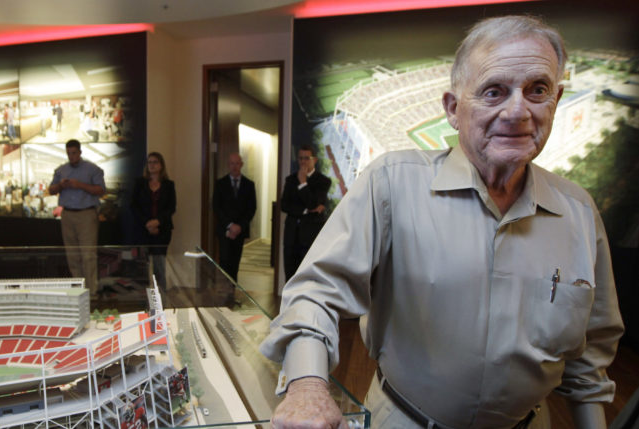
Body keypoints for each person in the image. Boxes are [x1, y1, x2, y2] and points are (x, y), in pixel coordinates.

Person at [261, 15, 623, 429]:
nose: (518, 110)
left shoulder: (578, 212)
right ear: (453, 109)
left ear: (556, 99)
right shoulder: (390, 182)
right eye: (494, 91)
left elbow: (589, 362)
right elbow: (315, 292)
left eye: (537, 90)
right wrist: (307, 387)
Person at [49, 139, 105, 293]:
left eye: (74, 153)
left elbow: (101, 190)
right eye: (68, 153)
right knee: (72, 255)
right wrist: (61, 185)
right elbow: (51, 189)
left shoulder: (92, 169)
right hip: (67, 214)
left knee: (88, 255)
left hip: (86, 214)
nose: (71, 156)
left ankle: (92, 291)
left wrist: (79, 185)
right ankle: (79, 290)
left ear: (80, 152)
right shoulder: (61, 170)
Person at [280, 143, 331, 281]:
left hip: (310, 237)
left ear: (314, 160)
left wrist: (303, 183)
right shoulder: (290, 180)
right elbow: (284, 205)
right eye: (300, 158)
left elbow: (313, 203)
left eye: (306, 158)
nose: (303, 161)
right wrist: (305, 210)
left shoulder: (323, 181)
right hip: (291, 237)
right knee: (290, 277)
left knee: (307, 278)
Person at [130, 152, 176, 289]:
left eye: (155, 162)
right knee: (142, 266)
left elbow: (171, 208)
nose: (152, 165)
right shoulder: (139, 183)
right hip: (142, 230)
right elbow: (133, 206)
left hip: (162, 231)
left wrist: (157, 222)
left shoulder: (169, 185)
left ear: (161, 165)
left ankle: (160, 298)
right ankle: (143, 299)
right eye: (149, 162)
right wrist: (148, 223)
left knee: (159, 266)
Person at [212, 153, 256, 281]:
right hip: (224, 229)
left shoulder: (249, 184)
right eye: (232, 163)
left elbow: (251, 209)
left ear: (241, 165)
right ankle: (223, 294)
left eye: (237, 163)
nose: (234, 166)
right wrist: (230, 226)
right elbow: (216, 207)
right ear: (228, 165)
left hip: (240, 231)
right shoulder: (220, 183)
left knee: (235, 263)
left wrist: (239, 226)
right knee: (224, 261)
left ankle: (231, 294)